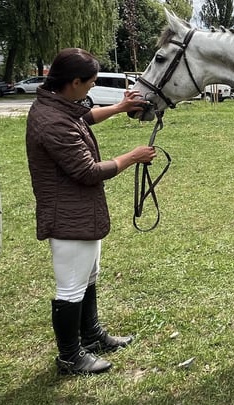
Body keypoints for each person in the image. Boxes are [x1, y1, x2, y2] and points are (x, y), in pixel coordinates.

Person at [26, 48, 157, 376]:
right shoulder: (52, 122)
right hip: (67, 217)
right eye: (90, 83)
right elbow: (88, 171)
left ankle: (91, 334)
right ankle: (70, 356)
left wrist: (121, 107)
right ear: (73, 82)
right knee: (70, 287)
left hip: (80, 212)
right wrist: (133, 156)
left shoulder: (57, 105)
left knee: (88, 276)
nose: (91, 89)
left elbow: (86, 117)